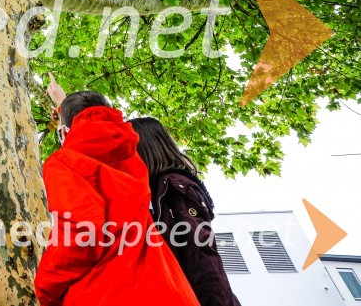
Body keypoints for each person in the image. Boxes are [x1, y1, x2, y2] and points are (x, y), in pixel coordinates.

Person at [35, 75, 199, 306]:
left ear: (63, 132)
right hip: (167, 289)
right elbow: (96, 128)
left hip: (107, 292)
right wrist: (64, 105)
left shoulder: (64, 162)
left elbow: (83, 234)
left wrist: (44, 290)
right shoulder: (133, 158)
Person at [130, 117, 241, 306]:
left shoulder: (173, 186)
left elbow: (200, 253)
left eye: (129, 146)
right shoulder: (154, 191)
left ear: (144, 147)